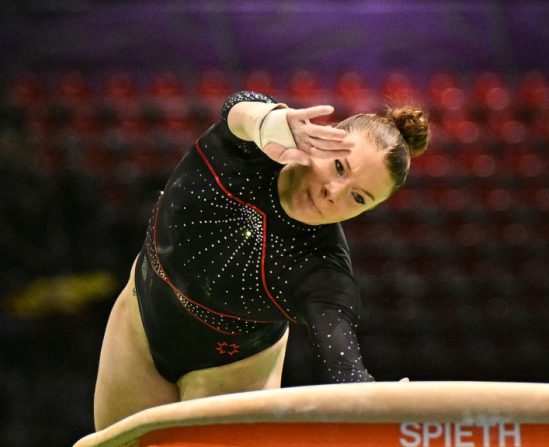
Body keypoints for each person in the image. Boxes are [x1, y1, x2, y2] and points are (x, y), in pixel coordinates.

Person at [92, 91, 429, 430]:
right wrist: (270, 122)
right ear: (323, 137)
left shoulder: (322, 270)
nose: (333, 192)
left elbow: (344, 366)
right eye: (339, 167)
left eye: (358, 197)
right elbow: (239, 109)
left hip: (232, 369)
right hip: (141, 324)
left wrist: (375, 401)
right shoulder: (246, 150)